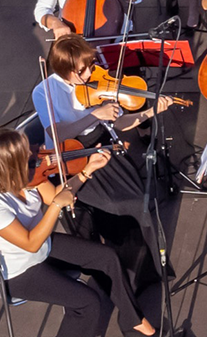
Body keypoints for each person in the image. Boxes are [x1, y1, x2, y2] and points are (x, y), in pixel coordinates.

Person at [0, 129, 157, 337]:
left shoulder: (29, 176)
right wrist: (56, 207)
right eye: (29, 159)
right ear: (9, 167)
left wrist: (87, 170)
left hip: (40, 248)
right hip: (17, 272)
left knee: (106, 257)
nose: (38, 158)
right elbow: (30, 242)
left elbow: (56, 197)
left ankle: (131, 320)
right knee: (87, 303)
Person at [31, 34, 175, 276]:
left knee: (140, 201)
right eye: (82, 69)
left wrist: (151, 111)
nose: (89, 74)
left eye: (89, 65)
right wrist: (95, 115)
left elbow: (119, 123)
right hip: (74, 157)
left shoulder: (94, 81)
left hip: (104, 146)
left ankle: (146, 270)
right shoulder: (44, 91)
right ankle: (118, 268)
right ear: (64, 69)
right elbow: (56, 132)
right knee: (120, 205)